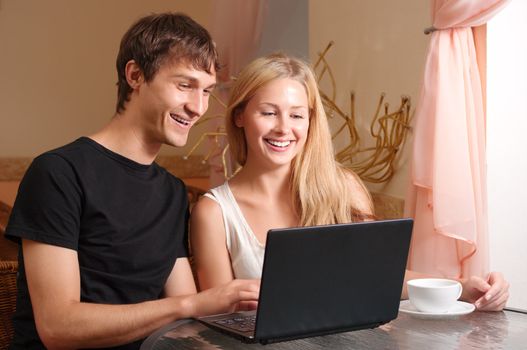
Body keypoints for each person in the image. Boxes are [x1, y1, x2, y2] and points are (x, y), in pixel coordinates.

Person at [5, 13, 259, 350]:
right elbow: (58, 326)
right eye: (185, 85)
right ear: (135, 75)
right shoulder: (58, 173)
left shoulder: (171, 192)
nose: (198, 107)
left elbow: (185, 318)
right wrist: (191, 305)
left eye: (207, 91)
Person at [190, 53, 509, 312]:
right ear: (239, 116)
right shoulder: (213, 213)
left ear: (311, 122)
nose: (283, 128)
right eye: (269, 113)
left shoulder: (344, 187)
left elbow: (379, 276)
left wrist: (462, 288)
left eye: (297, 115)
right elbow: (220, 319)